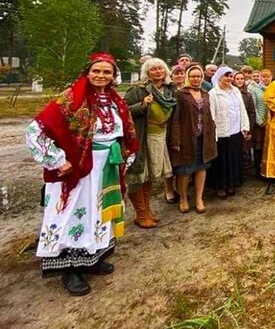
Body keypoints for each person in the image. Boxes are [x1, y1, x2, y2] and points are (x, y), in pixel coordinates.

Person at [26, 52, 139, 296]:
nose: (101, 76)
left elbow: (126, 132)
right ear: (87, 72)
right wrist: (57, 160)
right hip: (79, 169)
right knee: (73, 213)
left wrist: (125, 156)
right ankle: (70, 269)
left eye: (106, 72)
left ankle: (93, 257)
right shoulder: (70, 98)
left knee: (99, 212)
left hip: (107, 167)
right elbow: (36, 130)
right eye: (96, 71)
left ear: (113, 76)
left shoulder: (115, 101)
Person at [124, 58, 177, 228]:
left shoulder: (169, 90)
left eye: (160, 68)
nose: (157, 71)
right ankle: (140, 213)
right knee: (138, 175)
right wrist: (142, 105)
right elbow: (122, 111)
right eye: (153, 69)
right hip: (143, 137)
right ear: (147, 73)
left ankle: (147, 209)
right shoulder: (138, 90)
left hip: (159, 137)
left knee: (150, 176)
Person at [169, 65, 217, 213]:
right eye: (193, 76)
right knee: (184, 169)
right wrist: (175, 140)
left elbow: (210, 115)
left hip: (204, 136)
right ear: (187, 77)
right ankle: (183, 198)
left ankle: (198, 198)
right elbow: (175, 118)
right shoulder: (180, 94)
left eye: (198, 76)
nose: (196, 79)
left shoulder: (205, 93)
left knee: (201, 168)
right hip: (186, 137)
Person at [209, 67, 250, 198]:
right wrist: (213, 134)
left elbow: (241, 110)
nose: (229, 79)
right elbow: (212, 115)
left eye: (230, 76)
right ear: (219, 77)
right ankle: (220, 186)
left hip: (235, 131)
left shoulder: (235, 91)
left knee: (233, 158)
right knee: (221, 160)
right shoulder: (213, 93)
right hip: (221, 133)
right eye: (226, 76)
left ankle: (232, 183)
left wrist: (245, 126)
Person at [249, 69, 272, 177]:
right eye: (264, 76)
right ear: (260, 78)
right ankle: (258, 170)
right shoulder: (255, 90)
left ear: (271, 77)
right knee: (259, 146)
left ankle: (268, 168)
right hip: (260, 122)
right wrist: (260, 121)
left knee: (269, 146)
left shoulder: (274, 88)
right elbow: (253, 106)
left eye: (268, 76)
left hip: (272, 122)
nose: (266, 78)